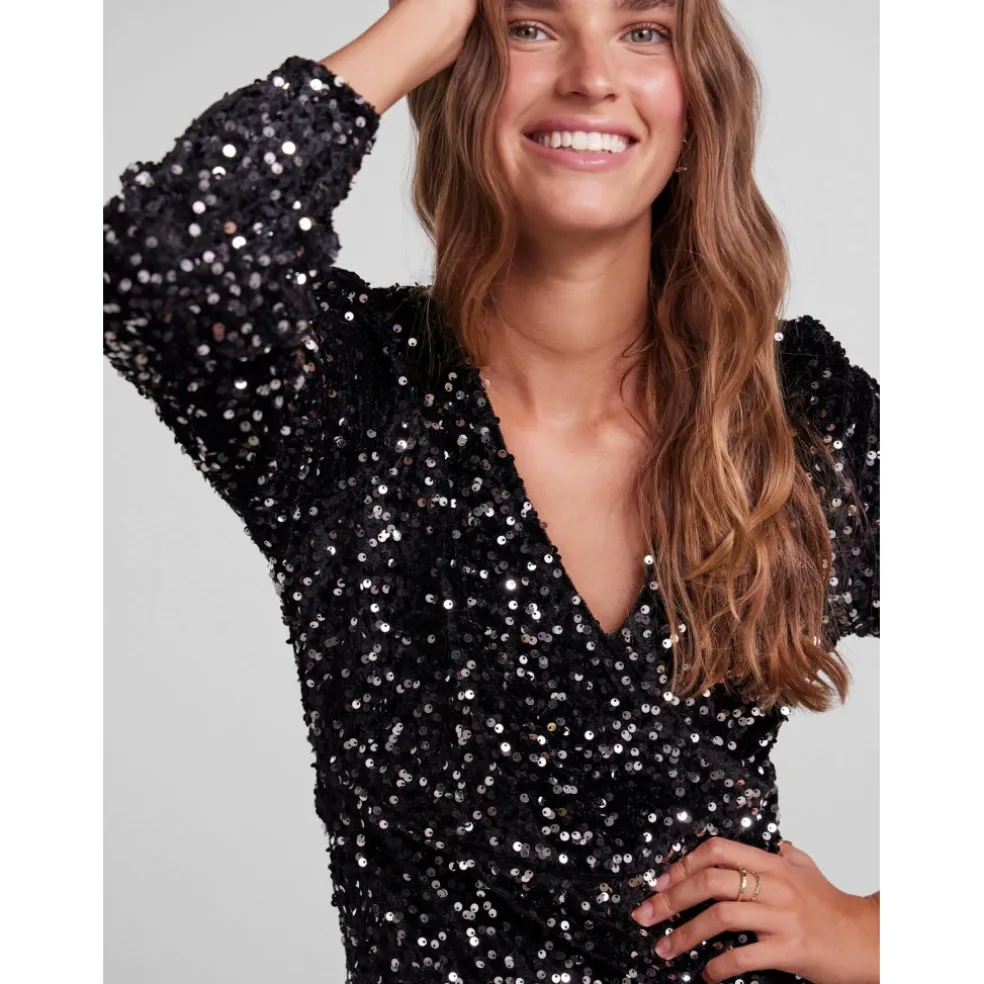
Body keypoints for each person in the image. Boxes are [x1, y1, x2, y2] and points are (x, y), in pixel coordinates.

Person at [103, 0, 880, 981]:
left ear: (697, 103)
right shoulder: (347, 399)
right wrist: (420, 24)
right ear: (459, 73)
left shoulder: (794, 416)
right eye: (531, 28)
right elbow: (166, 265)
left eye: (644, 31)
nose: (591, 76)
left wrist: (881, 933)